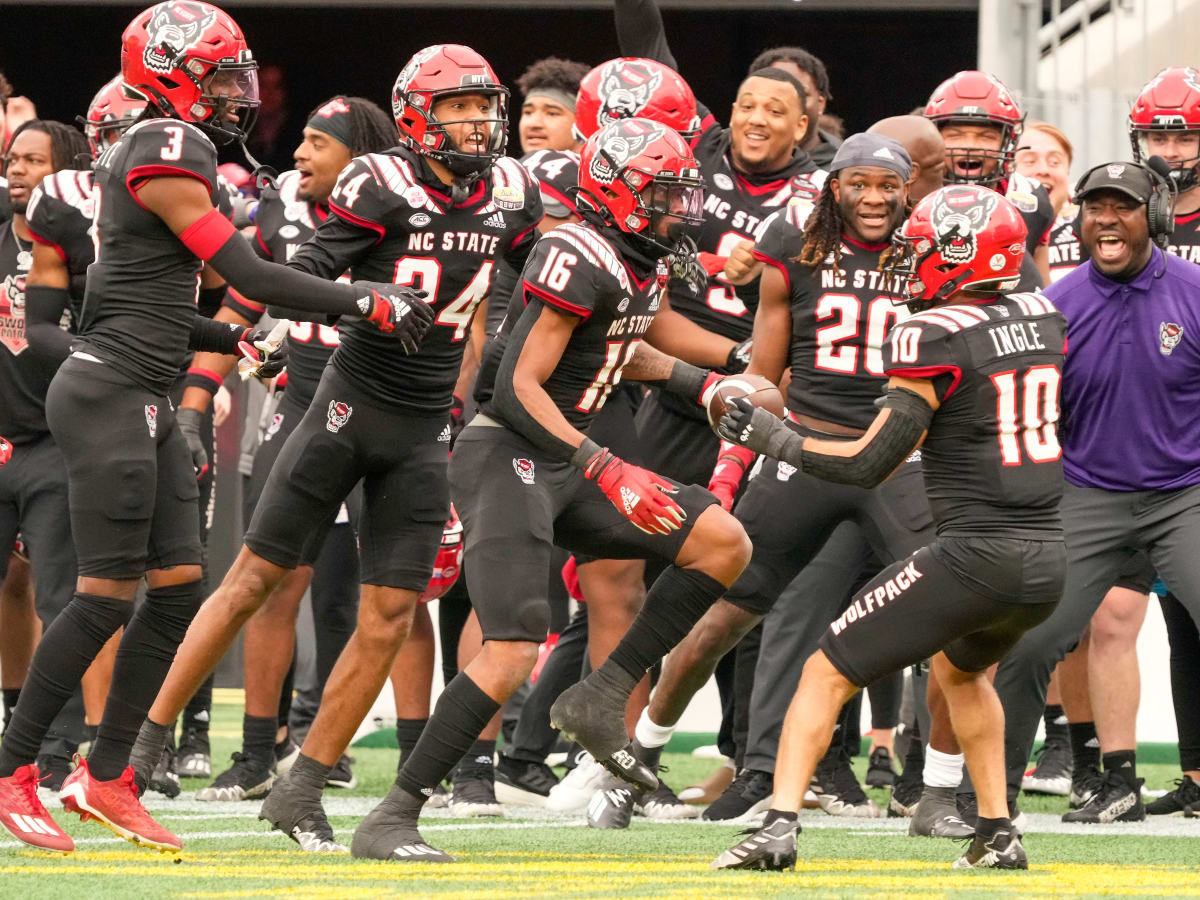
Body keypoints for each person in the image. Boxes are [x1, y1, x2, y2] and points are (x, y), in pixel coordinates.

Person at [0, 1, 424, 854]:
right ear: (166, 72)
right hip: (113, 392)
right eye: (218, 75)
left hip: (140, 385)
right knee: (103, 596)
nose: (235, 95)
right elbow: (242, 269)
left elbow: (144, 300)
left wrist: (230, 338)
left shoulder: (167, 152)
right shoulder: (164, 144)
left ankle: (108, 776)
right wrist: (363, 299)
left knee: (182, 585)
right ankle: (16, 774)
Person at [123, 41, 542, 854]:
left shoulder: (513, 190)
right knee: (252, 578)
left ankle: (303, 788)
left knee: (389, 613)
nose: (478, 122)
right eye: (458, 106)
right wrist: (352, 302)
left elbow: (538, 272)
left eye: (483, 105)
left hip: (425, 428)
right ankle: (137, 751)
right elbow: (310, 270)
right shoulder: (378, 182)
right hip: (346, 410)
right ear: (419, 118)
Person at [349, 116, 750, 863]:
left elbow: (624, 355)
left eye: (682, 196)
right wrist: (608, 466)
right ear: (619, 190)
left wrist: (712, 383)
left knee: (723, 541)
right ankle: (394, 814)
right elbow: (515, 385)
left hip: (565, 459)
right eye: (664, 195)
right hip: (511, 452)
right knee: (511, 645)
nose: (680, 212)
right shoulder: (574, 248)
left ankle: (603, 695)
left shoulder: (638, 256)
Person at [712, 184, 1065, 871]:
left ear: (963, 255)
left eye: (925, 249)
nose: (909, 263)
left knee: (825, 667)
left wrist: (772, 436)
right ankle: (997, 831)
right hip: (1048, 557)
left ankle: (777, 828)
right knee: (963, 674)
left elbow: (866, 461)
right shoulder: (1040, 313)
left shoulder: (932, 333)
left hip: (975, 555)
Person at [175, 94, 397, 802]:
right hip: (301, 408)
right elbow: (240, 304)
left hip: (384, 412)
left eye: (315, 142)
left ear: (359, 159)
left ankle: (339, 747)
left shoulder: (407, 207)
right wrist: (199, 395)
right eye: (299, 139)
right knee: (269, 583)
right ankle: (253, 753)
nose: (298, 153)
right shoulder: (278, 207)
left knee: (370, 596)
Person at [988, 159, 1200, 825]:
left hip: (1184, 494)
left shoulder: (1195, 291)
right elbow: (1027, 416)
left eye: (1123, 206)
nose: (1106, 218)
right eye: (1094, 207)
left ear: (1155, 218)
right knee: (1026, 642)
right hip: (1086, 496)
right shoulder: (1056, 305)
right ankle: (987, 805)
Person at [0, 119, 92, 796]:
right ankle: (13, 722)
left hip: (61, 441)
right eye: (13, 158)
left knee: (63, 599)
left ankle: (57, 747)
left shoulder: (90, 248)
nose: (19, 170)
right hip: (1, 438)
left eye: (35, 160)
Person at [1127, 67, 1200, 816]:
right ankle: (1197, 776)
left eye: (1183, 134)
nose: (1170, 149)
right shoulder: (1128, 217)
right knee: (1180, 619)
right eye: (1158, 133)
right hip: (1155, 442)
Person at [924, 70, 1053, 285]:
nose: (970, 147)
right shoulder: (915, 195)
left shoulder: (1030, 198)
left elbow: (1043, 292)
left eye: (986, 136)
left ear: (1008, 141)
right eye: (955, 135)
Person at [748, 46, 840, 165]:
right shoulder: (722, 154)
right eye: (772, 93)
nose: (786, 104)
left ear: (821, 103)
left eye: (800, 94)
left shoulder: (847, 166)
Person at [516, 57, 590, 155]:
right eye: (528, 112)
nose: (533, 124)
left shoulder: (605, 169)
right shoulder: (506, 169)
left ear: (583, 123)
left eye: (552, 113)